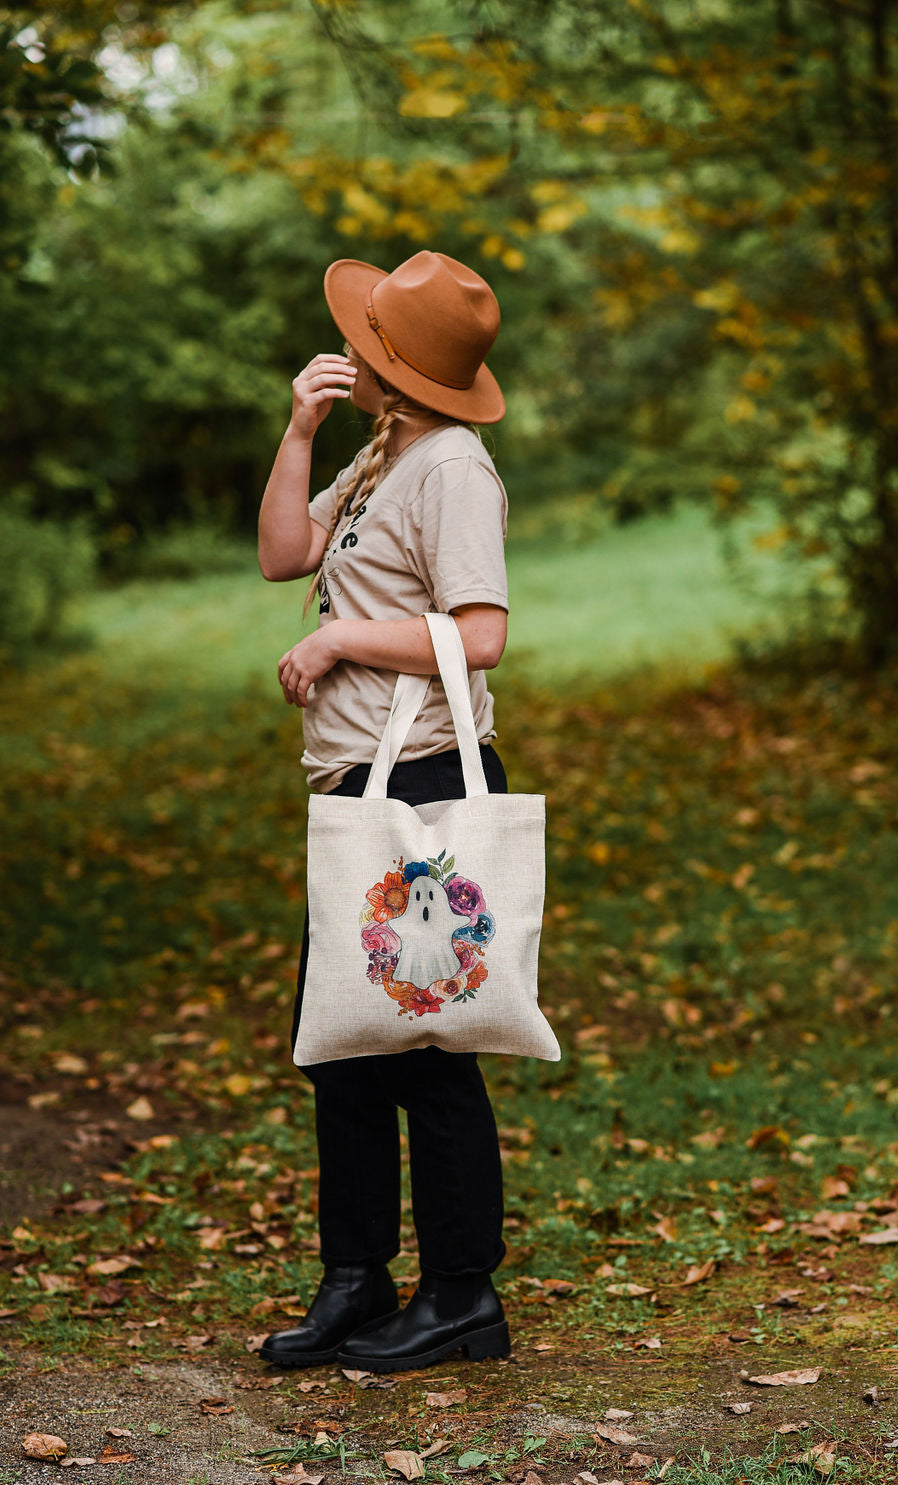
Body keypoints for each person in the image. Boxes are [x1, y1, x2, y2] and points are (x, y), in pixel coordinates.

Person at [255, 250, 513, 1373]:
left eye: (365, 339)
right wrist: (300, 431)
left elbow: (484, 630)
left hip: (426, 785)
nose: (349, 347)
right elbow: (282, 555)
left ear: (396, 362)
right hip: (359, 786)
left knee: (425, 1048)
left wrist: (340, 636)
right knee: (341, 1046)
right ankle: (354, 1278)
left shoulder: (452, 465)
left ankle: (462, 1295)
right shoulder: (382, 450)